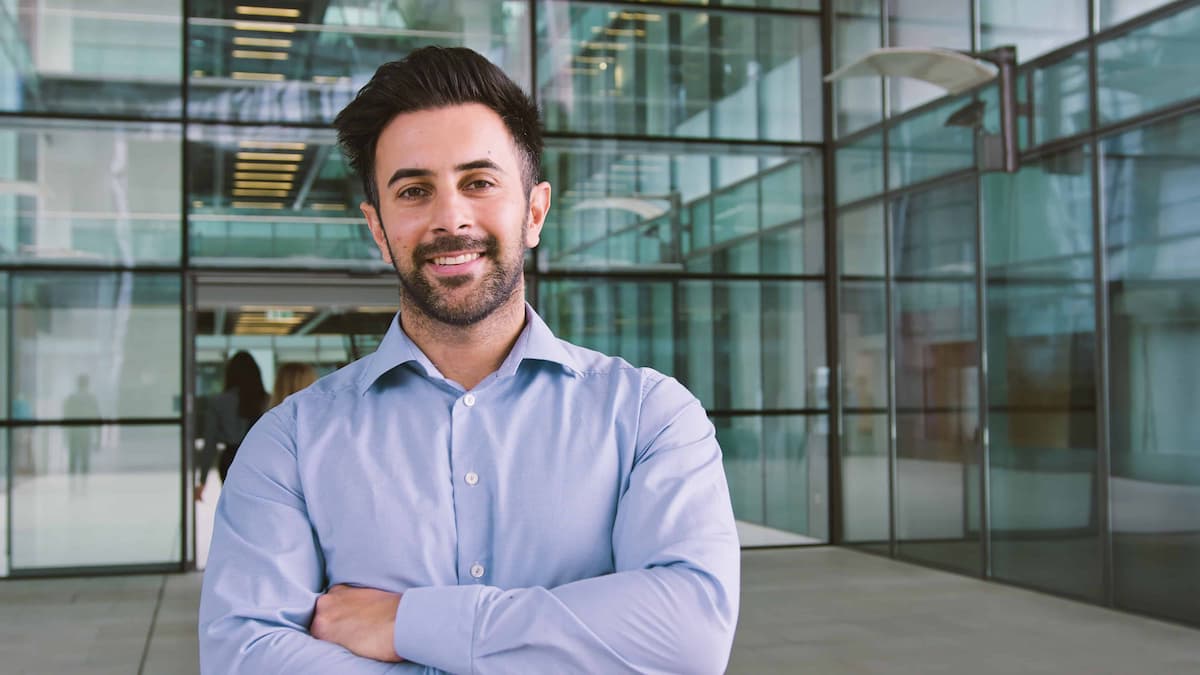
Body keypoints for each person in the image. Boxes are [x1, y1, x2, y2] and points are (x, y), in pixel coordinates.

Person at [199, 46, 739, 674]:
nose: (450, 218)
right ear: (378, 229)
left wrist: (405, 623)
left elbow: (690, 638)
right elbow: (245, 657)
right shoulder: (289, 443)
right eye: (414, 190)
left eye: (479, 182)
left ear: (534, 211)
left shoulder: (651, 418)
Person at [196, 350, 268, 495]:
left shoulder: (218, 402)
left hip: (230, 461)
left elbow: (210, 444)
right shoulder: (266, 400)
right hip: (260, 461)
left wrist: (202, 481)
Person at [63, 374, 101, 479]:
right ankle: (84, 485)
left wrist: (65, 435)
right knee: (85, 459)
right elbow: (97, 417)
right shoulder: (91, 399)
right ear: (87, 384)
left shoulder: (71, 398)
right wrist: (98, 438)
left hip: (73, 432)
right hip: (85, 431)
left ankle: (72, 485)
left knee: (73, 459)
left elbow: (66, 416)